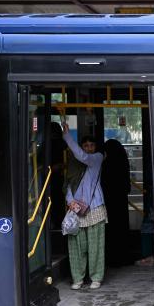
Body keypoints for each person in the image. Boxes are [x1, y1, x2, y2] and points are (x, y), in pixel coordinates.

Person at [62, 123, 106, 290]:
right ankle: (78, 278)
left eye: (91, 145)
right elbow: (68, 185)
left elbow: (83, 157)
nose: (88, 148)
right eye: (85, 146)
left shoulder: (96, 158)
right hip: (75, 209)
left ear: (96, 147)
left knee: (95, 247)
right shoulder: (74, 164)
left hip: (95, 208)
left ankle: (96, 278)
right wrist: (70, 201)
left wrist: (67, 137)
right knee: (76, 246)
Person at [101, 139, 131, 267]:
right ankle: (123, 256)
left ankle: (112, 258)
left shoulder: (106, 164)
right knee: (121, 228)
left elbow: (103, 184)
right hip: (121, 201)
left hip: (109, 202)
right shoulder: (124, 162)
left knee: (111, 230)